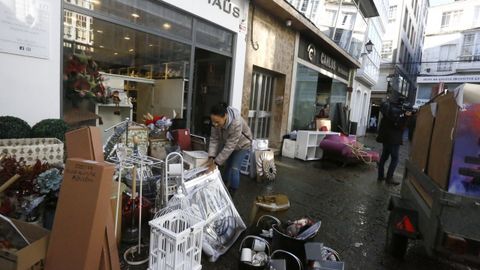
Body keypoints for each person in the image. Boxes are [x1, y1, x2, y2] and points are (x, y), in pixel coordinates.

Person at [207, 103, 252, 196]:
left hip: (243, 145)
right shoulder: (215, 123)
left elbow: (230, 146)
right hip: (230, 143)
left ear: (225, 116)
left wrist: (216, 162)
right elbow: (214, 139)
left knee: (235, 168)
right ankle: (222, 188)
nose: (215, 124)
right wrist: (211, 156)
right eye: (213, 121)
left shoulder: (236, 122)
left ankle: (232, 193)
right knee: (227, 166)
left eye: (217, 122)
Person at [376, 96, 412, 185]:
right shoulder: (398, 112)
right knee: (395, 158)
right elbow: (400, 126)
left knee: (384, 157)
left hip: (385, 138)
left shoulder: (387, 110)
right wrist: (406, 117)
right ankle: (389, 178)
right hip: (394, 139)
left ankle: (380, 176)